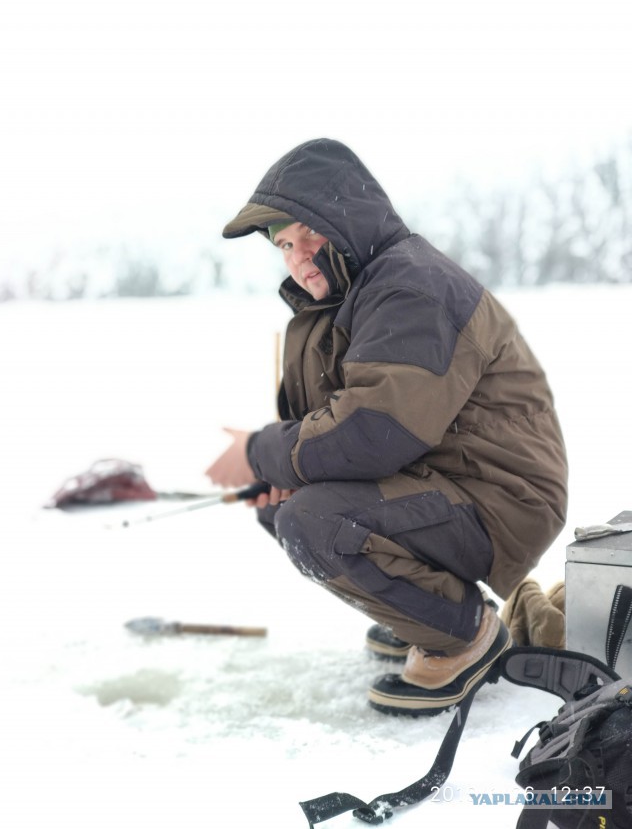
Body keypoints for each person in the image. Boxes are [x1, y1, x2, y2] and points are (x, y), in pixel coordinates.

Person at [206, 138, 568, 715]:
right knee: (289, 505)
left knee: (316, 521)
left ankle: (461, 631)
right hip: (443, 480)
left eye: (309, 235)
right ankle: (421, 607)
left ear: (346, 220)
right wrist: (277, 467)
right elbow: (324, 427)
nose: (297, 256)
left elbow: (370, 433)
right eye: (284, 246)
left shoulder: (411, 288)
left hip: (502, 498)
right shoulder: (347, 301)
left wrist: (260, 451)